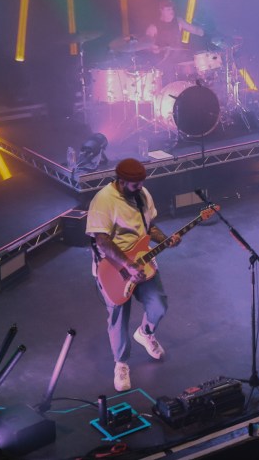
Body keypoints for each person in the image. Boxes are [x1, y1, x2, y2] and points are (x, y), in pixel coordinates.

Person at [85, 158, 181, 392]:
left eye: (141, 183)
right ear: (121, 181)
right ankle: (121, 364)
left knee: (159, 305)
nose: (140, 187)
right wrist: (127, 265)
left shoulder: (142, 194)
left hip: (143, 261)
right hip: (114, 267)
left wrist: (165, 239)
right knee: (119, 318)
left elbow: (150, 227)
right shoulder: (104, 200)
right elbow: (102, 241)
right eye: (135, 184)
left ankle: (145, 333)